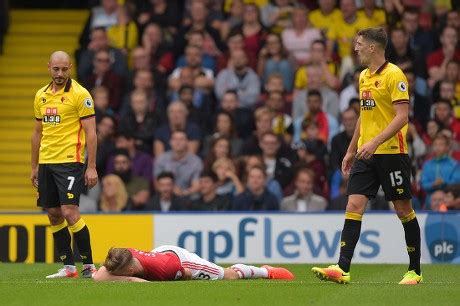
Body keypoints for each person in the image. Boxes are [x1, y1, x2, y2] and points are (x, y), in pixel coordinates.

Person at [312, 28, 422, 285]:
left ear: (373, 47)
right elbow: (364, 114)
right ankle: (342, 268)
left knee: (403, 209)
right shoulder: (363, 76)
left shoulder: (395, 75)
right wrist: (352, 149)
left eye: (359, 44)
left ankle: (415, 271)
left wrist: (375, 141)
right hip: (365, 152)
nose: (356, 48)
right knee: (353, 205)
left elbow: (402, 117)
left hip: (392, 152)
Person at [31, 51, 98, 278]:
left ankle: (88, 265)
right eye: (56, 69)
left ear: (70, 68)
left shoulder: (80, 94)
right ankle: (69, 267)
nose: (60, 74)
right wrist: (33, 167)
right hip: (46, 161)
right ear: (49, 67)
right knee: (53, 213)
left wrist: (91, 166)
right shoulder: (41, 95)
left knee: (70, 211)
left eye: (64, 69)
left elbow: (91, 133)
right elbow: (37, 133)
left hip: (70, 161)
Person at [93, 245, 295, 282]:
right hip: (159, 253)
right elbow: (99, 276)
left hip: (181, 261)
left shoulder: (165, 270)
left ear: (128, 269)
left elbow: (187, 274)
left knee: (228, 275)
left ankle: (264, 271)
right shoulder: (121, 255)